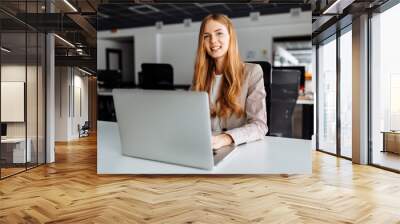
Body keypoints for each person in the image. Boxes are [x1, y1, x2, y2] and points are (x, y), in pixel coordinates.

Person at [192, 14, 268, 149]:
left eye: (219, 33)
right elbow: (190, 118)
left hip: (237, 148)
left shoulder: (252, 72)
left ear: (230, 37)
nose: (213, 41)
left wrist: (227, 138)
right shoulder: (200, 77)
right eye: (206, 36)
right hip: (205, 148)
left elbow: (259, 126)